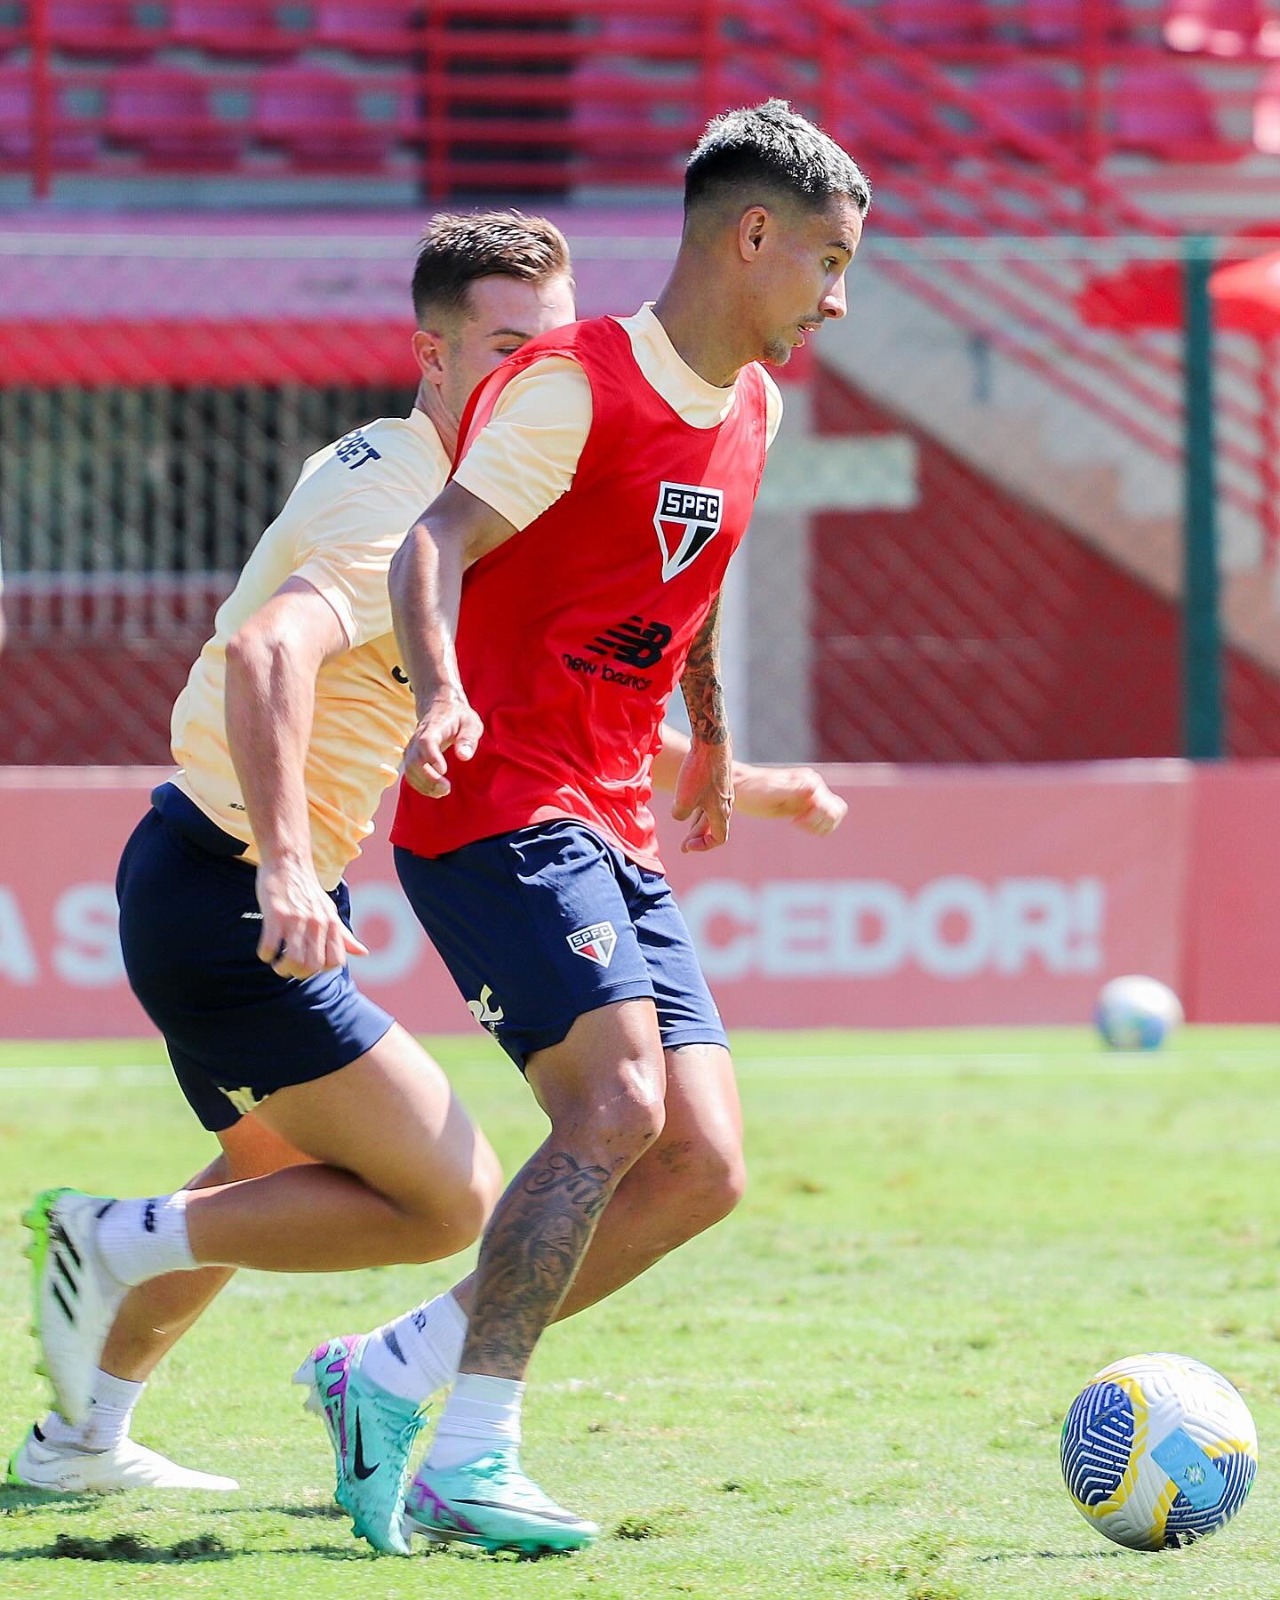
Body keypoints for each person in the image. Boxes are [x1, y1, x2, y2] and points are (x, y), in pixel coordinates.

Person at [15, 207, 848, 1537]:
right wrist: (288, 867)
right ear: (432, 356)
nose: (536, 367)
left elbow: (575, 701)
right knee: (446, 1194)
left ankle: (78, 1434)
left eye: (555, 341)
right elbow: (270, 655)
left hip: (229, 880)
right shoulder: (401, 495)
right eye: (505, 344)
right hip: (230, 885)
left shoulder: (508, 473)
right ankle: (116, 1249)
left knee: (266, 1182)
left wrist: (738, 781)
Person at [313, 100, 870, 1556]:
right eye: (826, 259)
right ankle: (468, 1461)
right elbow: (435, 540)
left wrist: (723, 743)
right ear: (751, 237)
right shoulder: (571, 386)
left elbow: (672, 580)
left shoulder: (756, 409)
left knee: (704, 1168)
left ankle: (393, 1370)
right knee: (615, 1113)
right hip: (493, 802)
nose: (837, 296)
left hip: (611, 817)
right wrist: (436, 696)